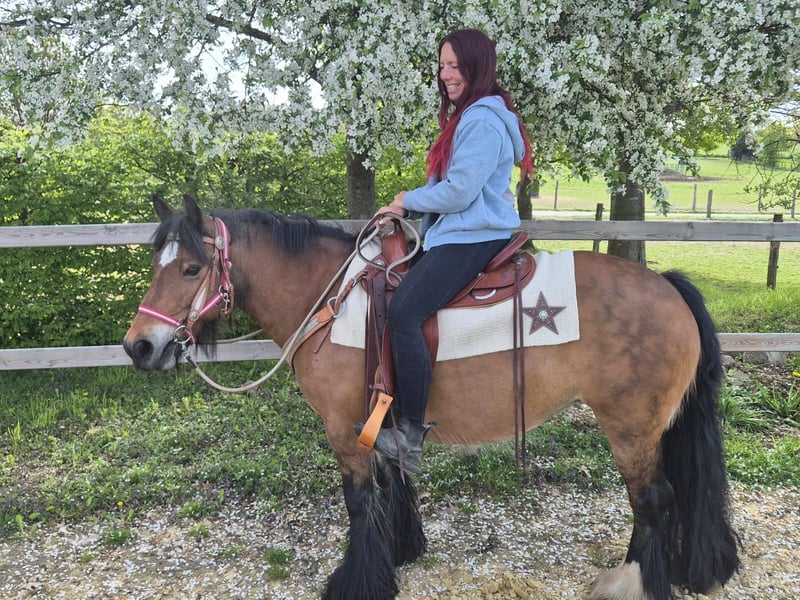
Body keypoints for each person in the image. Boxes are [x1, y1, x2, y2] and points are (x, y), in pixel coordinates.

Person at [361, 28, 534, 472]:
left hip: (471, 236)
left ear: (477, 67)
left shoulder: (481, 122)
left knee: (405, 313)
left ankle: (409, 434)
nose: (446, 75)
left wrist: (406, 200)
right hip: (458, 233)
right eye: (442, 66)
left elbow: (458, 192)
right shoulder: (474, 116)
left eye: (455, 66)